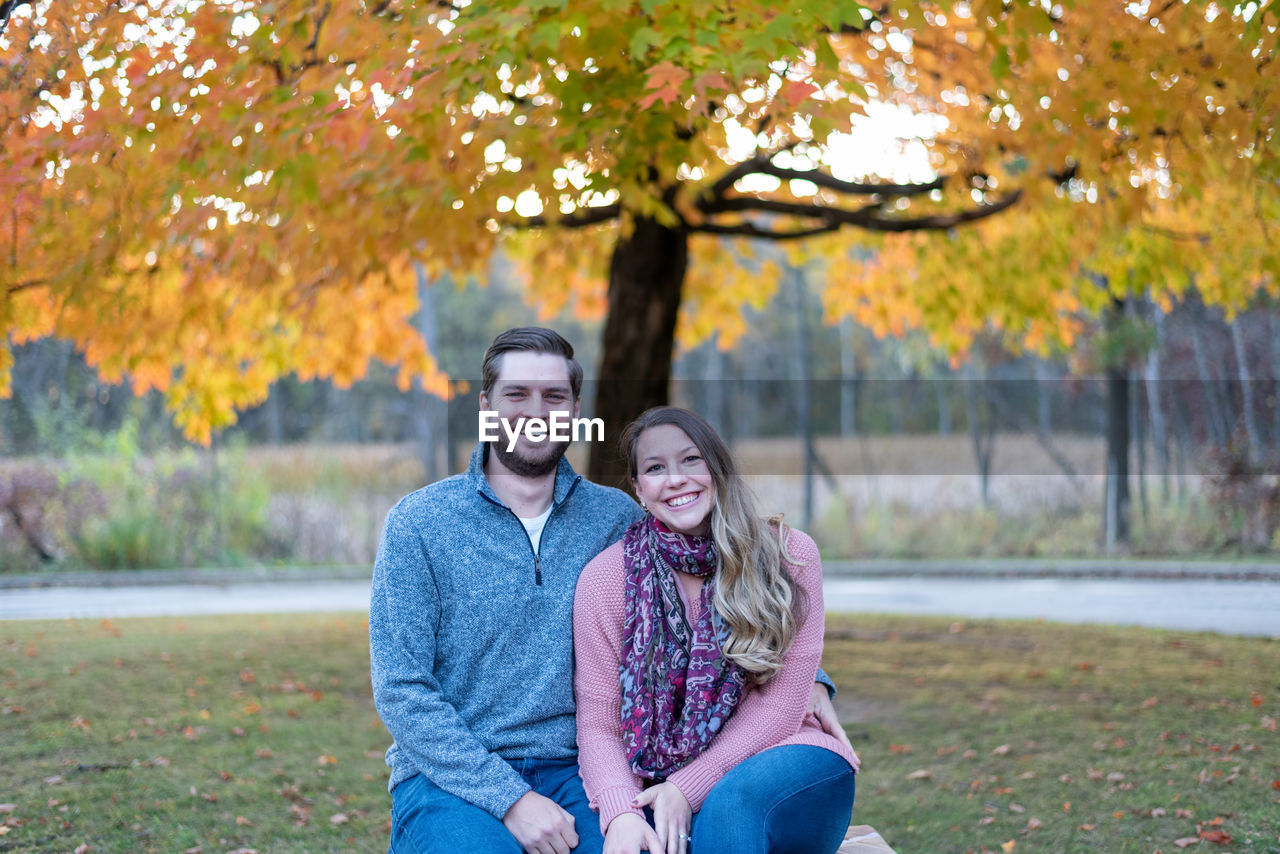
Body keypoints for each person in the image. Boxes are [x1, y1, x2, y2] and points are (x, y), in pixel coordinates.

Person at [370, 328, 849, 854]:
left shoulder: (618, 520)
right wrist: (510, 799)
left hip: (580, 772)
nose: (536, 411)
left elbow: (710, 595)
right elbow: (402, 690)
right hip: (452, 780)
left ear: (576, 408)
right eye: (516, 395)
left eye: (554, 396)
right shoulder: (419, 524)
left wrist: (811, 679)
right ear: (485, 405)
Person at [574, 406, 859, 854]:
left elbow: (782, 706)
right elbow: (600, 725)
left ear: (717, 467)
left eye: (691, 460)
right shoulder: (606, 581)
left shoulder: (788, 556)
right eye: (655, 468)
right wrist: (621, 814)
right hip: (660, 783)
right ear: (639, 490)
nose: (676, 479)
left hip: (786, 757)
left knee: (730, 809)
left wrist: (686, 787)